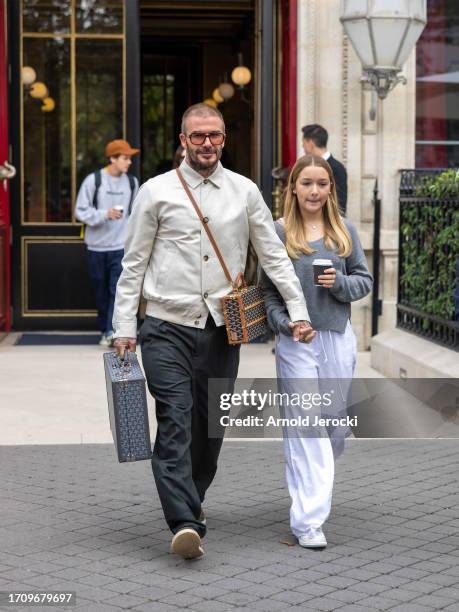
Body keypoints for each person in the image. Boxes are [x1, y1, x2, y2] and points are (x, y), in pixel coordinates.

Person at [112, 103, 315, 560]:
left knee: (210, 430)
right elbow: (133, 264)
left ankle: (192, 498)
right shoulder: (155, 192)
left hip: (223, 329)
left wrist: (298, 311)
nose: (207, 143)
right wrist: (124, 324)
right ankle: (183, 521)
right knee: (175, 418)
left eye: (215, 135)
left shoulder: (244, 192)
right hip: (166, 326)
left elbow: (274, 257)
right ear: (182, 140)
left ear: (224, 139)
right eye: (198, 135)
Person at [260, 154, 372, 549]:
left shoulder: (344, 232)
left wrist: (340, 284)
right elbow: (267, 295)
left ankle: (315, 488)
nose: (314, 191)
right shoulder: (277, 233)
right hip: (296, 343)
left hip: (337, 338)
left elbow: (364, 280)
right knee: (305, 427)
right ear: (293, 187)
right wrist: (286, 324)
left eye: (321, 184)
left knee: (335, 427)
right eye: (306, 183)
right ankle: (308, 520)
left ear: (330, 189)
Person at [75, 139, 140, 346]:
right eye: (125, 158)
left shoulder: (132, 183)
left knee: (117, 290)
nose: (129, 162)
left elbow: (137, 214)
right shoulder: (93, 181)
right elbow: (80, 210)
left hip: (121, 246)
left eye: (130, 158)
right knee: (101, 290)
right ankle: (104, 327)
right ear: (112, 158)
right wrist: (105, 214)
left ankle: (113, 331)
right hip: (96, 246)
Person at [302, 124, 348, 215]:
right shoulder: (305, 167)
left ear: (310, 144)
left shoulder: (337, 168)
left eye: (303, 145)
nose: (303, 149)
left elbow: (340, 204)